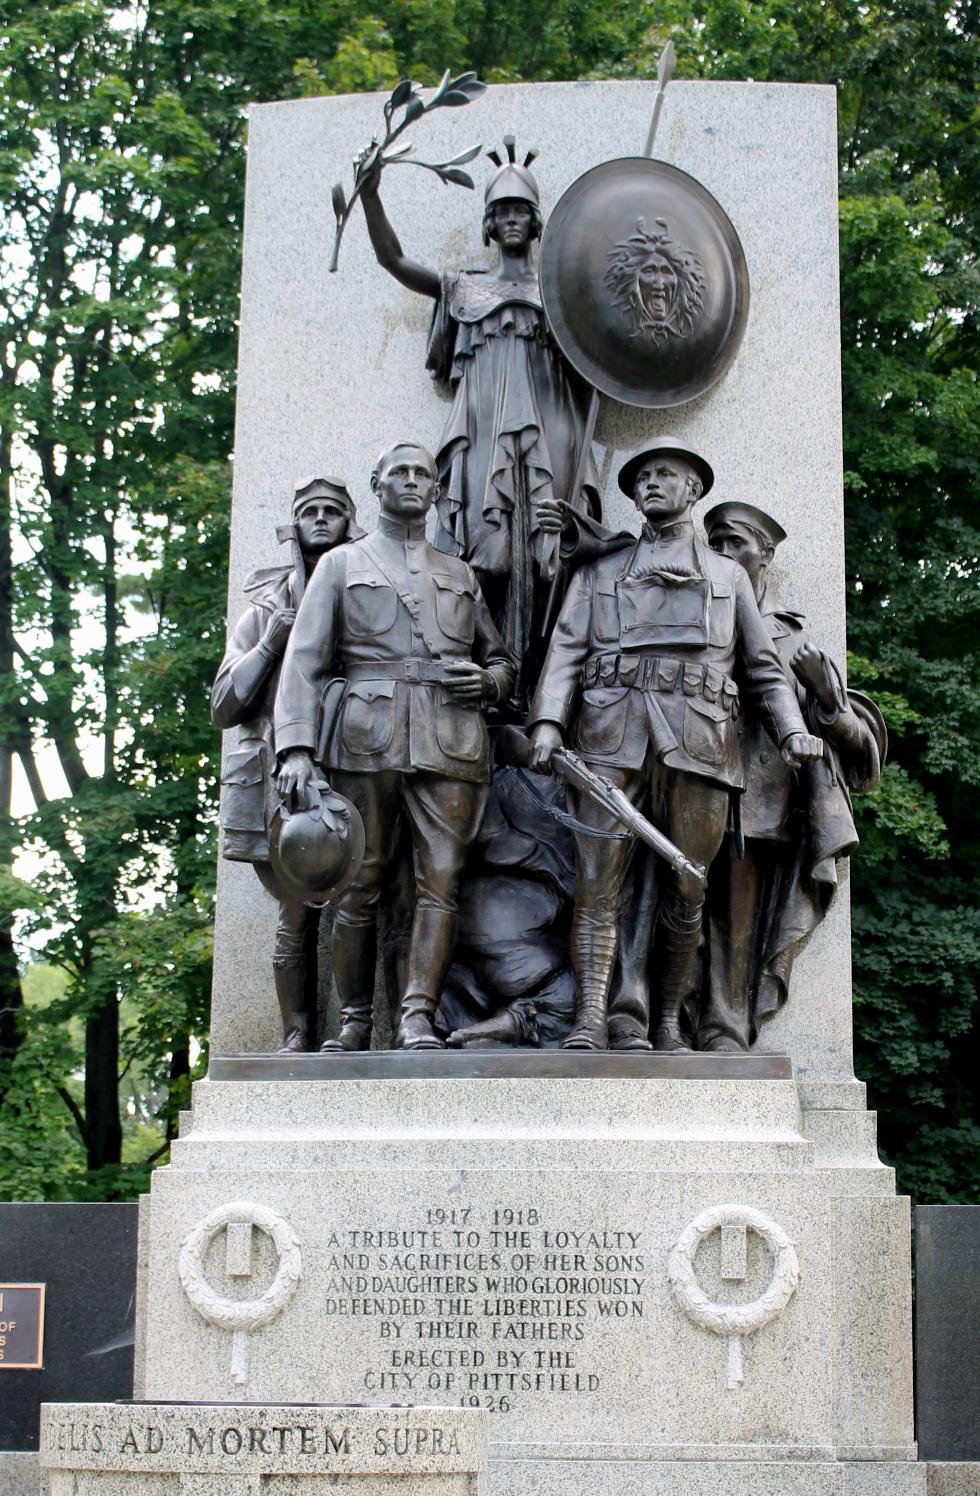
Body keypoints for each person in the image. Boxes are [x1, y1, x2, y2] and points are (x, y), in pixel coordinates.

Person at [527, 438, 823, 1052]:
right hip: (610, 739)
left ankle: (666, 1019)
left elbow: (764, 667)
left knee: (689, 885)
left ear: (695, 491)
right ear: (632, 495)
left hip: (701, 742)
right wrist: (548, 723)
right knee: (596, 885)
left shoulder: (727, 576)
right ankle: (590, 1020)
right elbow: (565, 653)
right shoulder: (597, 572)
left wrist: (793, 727)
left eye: (669, 475)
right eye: (644, 477)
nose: (654, 483)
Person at [274, 442, 515, 1051]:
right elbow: (302, 663)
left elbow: (503, 661)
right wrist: (295, 750)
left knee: (442, 882)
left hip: (451, 741)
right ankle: (355, 1019)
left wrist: (488, 680)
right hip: (364, 737)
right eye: (399, 472)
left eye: (423, 474)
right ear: (377, 485)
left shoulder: (460, 573)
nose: (412, 481)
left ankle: (416, 1016)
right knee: (360, 880)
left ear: (435, 491)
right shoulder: (340, 565)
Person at [356, 138, 598, 713]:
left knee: (550, 556)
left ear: (536, 223)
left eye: (521, 211)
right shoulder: (463, 287)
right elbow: (394, 261)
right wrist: (370, 196)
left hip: (553, 431)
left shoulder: (562, 293)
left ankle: (546, 695)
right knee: (483, 557)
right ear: (488, 224)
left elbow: (612, 344)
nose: (511, 219)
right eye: (501, 212)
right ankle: (490, 689)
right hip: (479, 433)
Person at [698, 501, 886, 1050]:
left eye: (736, 543)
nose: (724, 555)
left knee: (734, 923)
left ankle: (723, 1028)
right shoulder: (687, 618)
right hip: (680, 785)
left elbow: (863, 758)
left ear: (766, 555)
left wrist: (828, 698)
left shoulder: (790, 639)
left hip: (755, 801)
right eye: (715, 544)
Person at [211, 475, 364, 1052]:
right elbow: (224, 706)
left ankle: (354, 1025)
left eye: (333, 511)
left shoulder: (365, 595)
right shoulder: (262, 610)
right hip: (280, 784)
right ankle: (296, 1033)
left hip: (352, 766)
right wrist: (272, 641)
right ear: (293, 524)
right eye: (310, 512)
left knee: (360, 903)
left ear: (351, 522)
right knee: (295, 913)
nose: (321, 520)